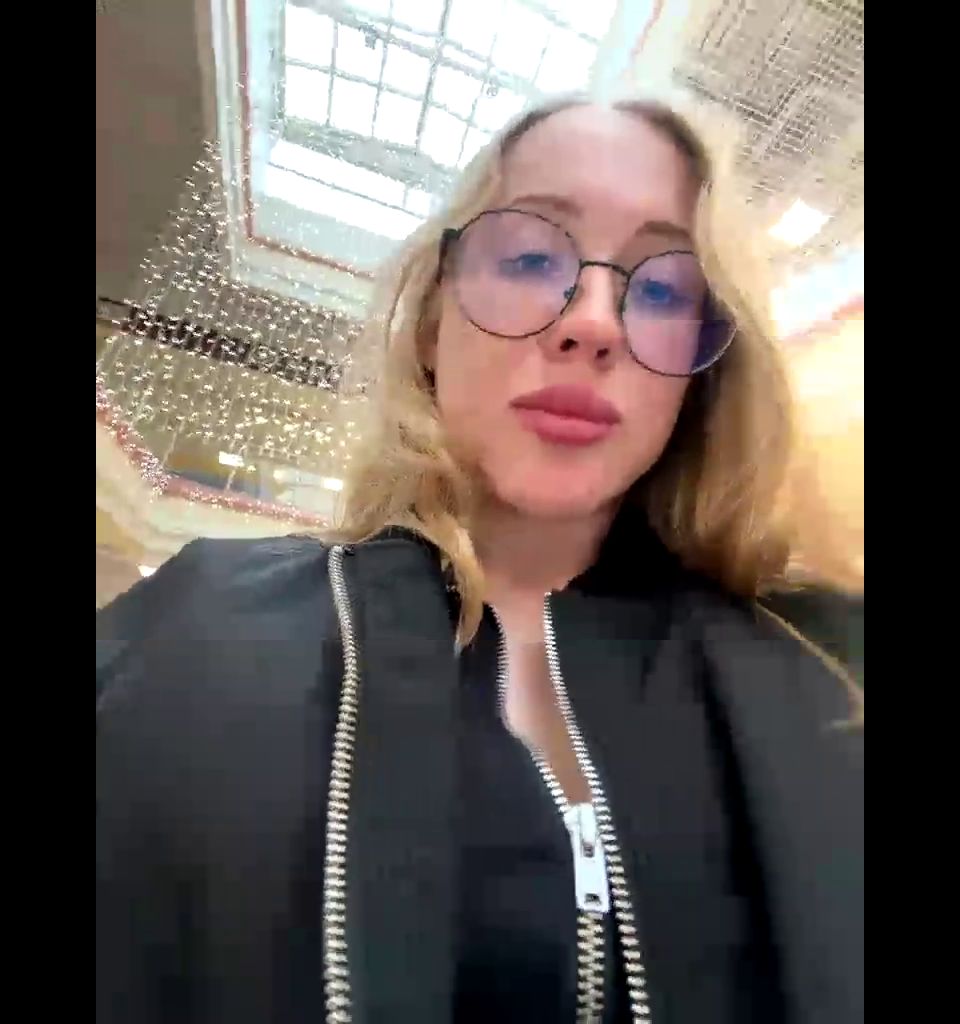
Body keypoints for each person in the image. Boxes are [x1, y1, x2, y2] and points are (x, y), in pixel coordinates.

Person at [97, 96, 863, 1024]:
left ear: (702, 369)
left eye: (663, 290)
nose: (595, 324)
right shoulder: (187, 640)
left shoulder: (832, 675)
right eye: (532, 259)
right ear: (432, 318)